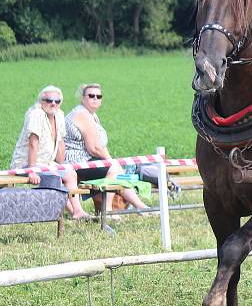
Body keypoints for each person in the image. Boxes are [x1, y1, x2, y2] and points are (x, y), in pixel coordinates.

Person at [65, 83, 149, 214]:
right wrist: (111, 161)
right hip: (76, 162)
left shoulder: (92, 115)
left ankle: (140, 206)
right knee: (115, 169)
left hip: (88, 160)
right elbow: (94, 148)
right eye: (91, 95)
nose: (95, 98)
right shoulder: (82, 114)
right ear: (83, 98)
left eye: (98, 96)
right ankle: (108, 210)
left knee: (117, 172)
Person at [9, 86, 91, 219]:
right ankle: (64, 213)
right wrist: (32, 170)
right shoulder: (36, 114)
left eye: (57, 101)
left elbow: (60, 143)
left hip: (46, 163)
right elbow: (33, 144)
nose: (53, 103)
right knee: (54, 176)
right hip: (27, 163)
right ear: (41, 101)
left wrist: (61, 164)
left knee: (70, 174)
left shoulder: (59, 115)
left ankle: (77, 211)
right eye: (48, 100)